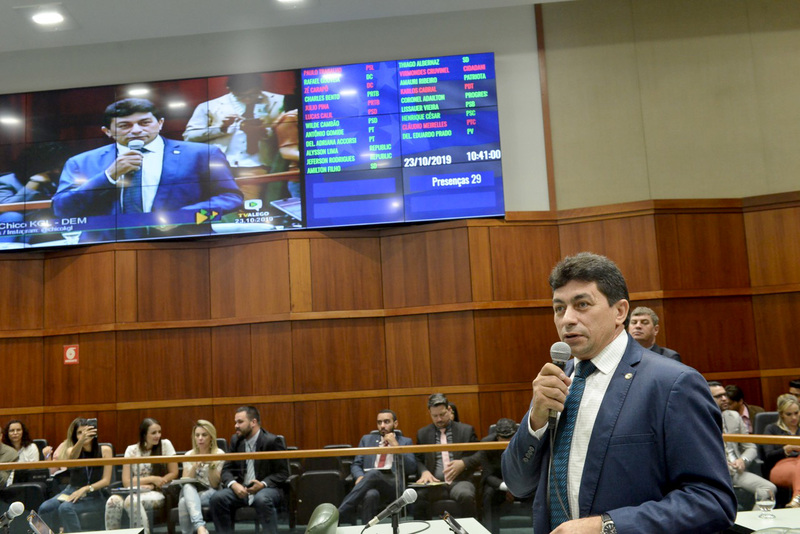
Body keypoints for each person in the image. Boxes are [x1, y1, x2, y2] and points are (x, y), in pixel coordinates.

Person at [501, 252, 736, 534]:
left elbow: (712, 501)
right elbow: (517, 485)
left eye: (582, 304)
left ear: (620, 312)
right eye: (559, 308)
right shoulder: (555, 381)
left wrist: (607, 526)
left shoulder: (673, 383)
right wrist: (535, 421)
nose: (567, 319)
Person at [52, 98, 243, 242]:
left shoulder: (202, 154)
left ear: (160, 124)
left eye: (144, 123)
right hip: (104, 251)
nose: (136, 130)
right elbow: (62, 209)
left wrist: (185, 216)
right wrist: (108, 176)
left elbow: (231, 198)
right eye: (124, 125)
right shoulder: (81, 162)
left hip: (184, 244)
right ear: (107, 131)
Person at [182, 74, 299, 200]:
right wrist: (221, 128)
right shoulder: (209, 106)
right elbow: (189, 137)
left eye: (253, 94)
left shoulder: (280, 102)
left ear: (259, 87)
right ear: (229, 89)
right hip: (218, 166)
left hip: (256, 165)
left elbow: (288, 134)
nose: (247, 99)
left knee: (247, 205)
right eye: (240, 96)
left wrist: (263, 131)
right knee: (221, 205)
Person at [210, 406, 288, 534]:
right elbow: (226, 470)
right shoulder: (236, 440)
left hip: (268, 489)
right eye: (235, 422)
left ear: (253, 422)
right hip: (243, 489)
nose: (236, 426)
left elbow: (283, 473)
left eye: (240, 422)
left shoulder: (272, 441)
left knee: (261, 499)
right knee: (217, 498)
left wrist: (262, 484)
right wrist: (233, 484)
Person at [337, 409, 416, 525]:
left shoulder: (405, 441)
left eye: (386, 422)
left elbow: (411, 467)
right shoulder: (366, 440)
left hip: (393, 485)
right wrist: (360, 477)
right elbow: (356, 464)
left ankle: (339, 514)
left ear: (395, 424)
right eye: (379, 422)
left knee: (373, 473)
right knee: (371, 495)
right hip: (369, 483)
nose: (382, 425)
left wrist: (395, 445)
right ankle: (367, 528)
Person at [708, 382, 776, 508]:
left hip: (737, 471)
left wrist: (743, 460)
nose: (724, 398)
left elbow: (750, 446)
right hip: (714, 475)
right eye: (718, 396)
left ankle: (753, 520)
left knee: (768, 489)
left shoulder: (734, 416)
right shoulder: (700, 421)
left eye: (724, 395)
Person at [38, 418, 113, 532]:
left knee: (65, 508)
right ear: (75, 436)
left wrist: (85, 489)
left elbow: (106, 480)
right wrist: (81, 440)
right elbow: (73, 457)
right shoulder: (71, 450)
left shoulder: (105, 450)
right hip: (72, 490)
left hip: (95, 494)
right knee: (45, 508)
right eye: (79, 433)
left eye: (86, 431)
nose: (84, 435)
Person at [105, 418, 179, 533]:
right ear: (144, 435)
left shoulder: (166, 445)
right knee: (112, 501)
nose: (158, 436)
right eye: (153, 433)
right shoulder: (131, 450)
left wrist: (156, 484)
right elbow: (127, 482)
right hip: (132, 490)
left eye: (159, 432)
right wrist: (152, 479)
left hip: (156, 491)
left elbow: (174, 472)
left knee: (132, 501)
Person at [413, 393, 480, 519]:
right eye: (435, 416)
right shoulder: (423, 433)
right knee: (418, 497)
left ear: (449, 410)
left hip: (460, 481)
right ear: (429, 413)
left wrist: (464, 463)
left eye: (442, 414)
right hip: (435, 484)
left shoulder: (466, 430)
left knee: (466, 495)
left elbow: (480, 455)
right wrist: (424, 472)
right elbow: (417, 459)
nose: (439, 419)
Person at [478, 418, 527, 534]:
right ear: (497, 436)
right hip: (498, 484)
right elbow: (487, 475)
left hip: (522, 483)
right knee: (488, 494)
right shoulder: (486, 444)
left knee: (537, 492)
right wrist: (507, 487)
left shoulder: (525, 441)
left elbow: (529, 469)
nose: (507, 441)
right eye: (503, 438)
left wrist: (516, 486)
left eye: (510, 438)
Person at [178, 420, 225, 534]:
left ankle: (199, 527)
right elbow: (185, 482)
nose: (200, 438)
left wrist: (211, 464)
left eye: (204, 435)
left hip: (212, 492)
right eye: (197, 435)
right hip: (193, 492)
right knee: (187, 487)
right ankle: (201, 528)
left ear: (211, 437)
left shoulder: (219, 454)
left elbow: (215, 484)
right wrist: (194, 467)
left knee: (183, 502)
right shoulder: (188, 455)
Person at [762, 394, 800, 508]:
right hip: (780, 467)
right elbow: (768, 456)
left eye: (796, 413)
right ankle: (798, 498)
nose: (794, 417)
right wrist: (787, 449)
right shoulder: (771, 429)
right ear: (781, 414)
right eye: (789, 414)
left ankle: (797, 500)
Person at [2, 419, 50, 485]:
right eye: (12, 430)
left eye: (18, 430)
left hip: (28, 481)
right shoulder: (3, 450)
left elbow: (34, 469)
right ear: (7, 433)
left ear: (23, 432)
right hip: (5, 482)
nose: (15, 433)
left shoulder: (32, 447)